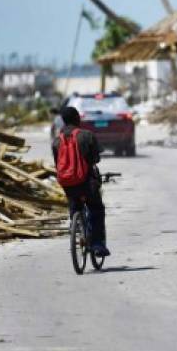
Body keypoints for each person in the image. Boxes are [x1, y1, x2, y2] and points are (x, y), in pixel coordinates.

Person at [52, 106, 110, 257]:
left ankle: (76, 227)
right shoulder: (87, 135)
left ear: (63, 121)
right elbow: (96, 158)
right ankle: (97, 244)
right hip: (87, 183)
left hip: (68, 184)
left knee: (74, 204)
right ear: (77, 118)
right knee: (96, 208)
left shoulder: (57, 141)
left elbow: (57, 164)